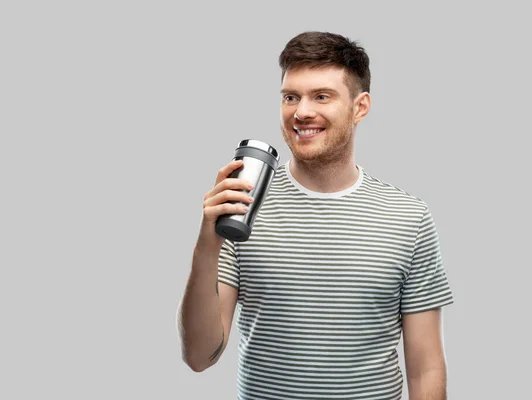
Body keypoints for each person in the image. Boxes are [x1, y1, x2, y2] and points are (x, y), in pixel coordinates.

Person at [178, 31, 454, 400]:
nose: (301, 111)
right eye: (291, 97)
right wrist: (206, 244)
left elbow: (426, 368)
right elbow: (199, 357)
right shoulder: (242, 206)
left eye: (321, 96)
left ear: (360, 106)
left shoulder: (409, 218)